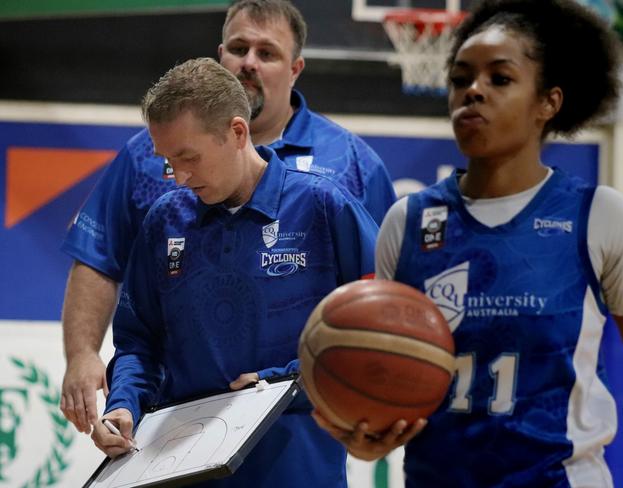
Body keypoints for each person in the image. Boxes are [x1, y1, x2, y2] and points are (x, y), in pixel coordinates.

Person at [314, 0, 623, 486]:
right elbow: (383, 372)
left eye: (500, 79)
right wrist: (366, 429)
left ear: (548, 103)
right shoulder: (407, 221)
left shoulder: (599, 217)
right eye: (460, 79)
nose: (473, 92)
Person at [60, 0, 396, 434]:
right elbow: (107, 275)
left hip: (298, 449)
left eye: (268, 52)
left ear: (295, 68)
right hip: (174, 452)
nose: (178, 176)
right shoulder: (155, 180)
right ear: (220, 55)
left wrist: (290, 382)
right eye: (239, 47)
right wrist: (102, 376)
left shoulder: (341, 179)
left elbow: (386, 309)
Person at [90, 57, 378, 487]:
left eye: (189, 157)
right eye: (169, 162)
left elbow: (378, 332)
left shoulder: (323, 207)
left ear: (237, 132)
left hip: (299, 470)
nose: (181, 177)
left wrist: (278, 385)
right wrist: (124, 405)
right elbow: (138, 341)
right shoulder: (163, 221)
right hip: (180, 472)